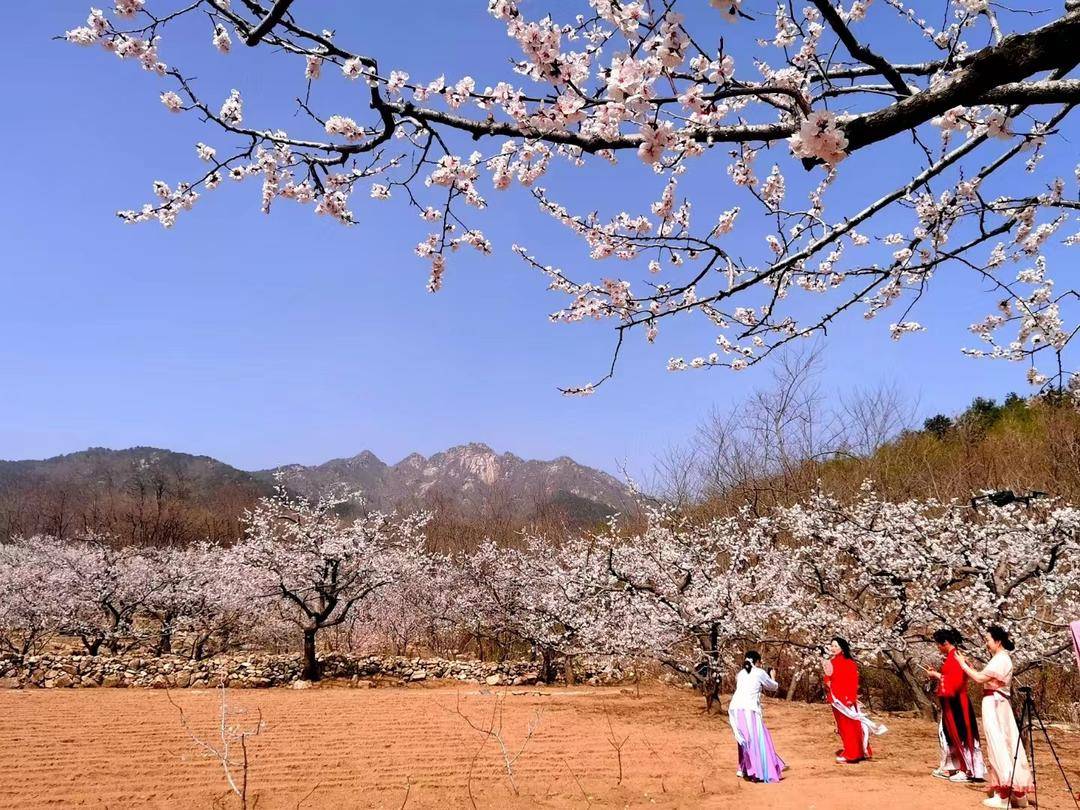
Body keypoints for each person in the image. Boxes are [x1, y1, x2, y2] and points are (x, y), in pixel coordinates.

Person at [956, 625, 1033, 809]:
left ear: (997, 641)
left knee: (998, 744)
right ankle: (1018, 795)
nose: (986, 643)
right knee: (1008, 744)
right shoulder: (1002, 659)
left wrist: (963, 664)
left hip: (994, 703)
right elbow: (985, 677)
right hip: (1000, 703)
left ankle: (1004, 794)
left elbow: (980, 678)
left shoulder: (1001, 659)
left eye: (988, 640)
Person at [924, 628, 986, 783]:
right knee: (952, 734)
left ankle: (968, 770)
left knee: (962, 734)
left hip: (957, 702)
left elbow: (955, 682)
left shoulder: (955, 658)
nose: (938, 647)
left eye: (939, 644)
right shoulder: (954, 657)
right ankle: (960, 767)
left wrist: (936, 676)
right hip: (955, 701)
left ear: (945, 643)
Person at [822, 636, 886, 763]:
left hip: (846, 700)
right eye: (832, 646)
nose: (833, 648)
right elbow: (828, 677)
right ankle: (856, 751)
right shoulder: (831, 662)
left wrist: (850, 698)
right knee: (843, 727)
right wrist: (828, 682)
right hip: (836, 699)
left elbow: (853, 682)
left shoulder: (850, 663)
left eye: (836, 646)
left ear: (842, 648)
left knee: (851, 726)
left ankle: (853, 754)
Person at [728, 651, 786, 783]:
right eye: (760, 662)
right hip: (749, 710)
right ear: (757, 662)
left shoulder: (741, 674)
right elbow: (773, 687)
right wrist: (773, 676)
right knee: (756, 739)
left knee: (743, 739)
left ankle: (743, 767)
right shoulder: (759, 672)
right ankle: (756, 770)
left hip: (735, 709)